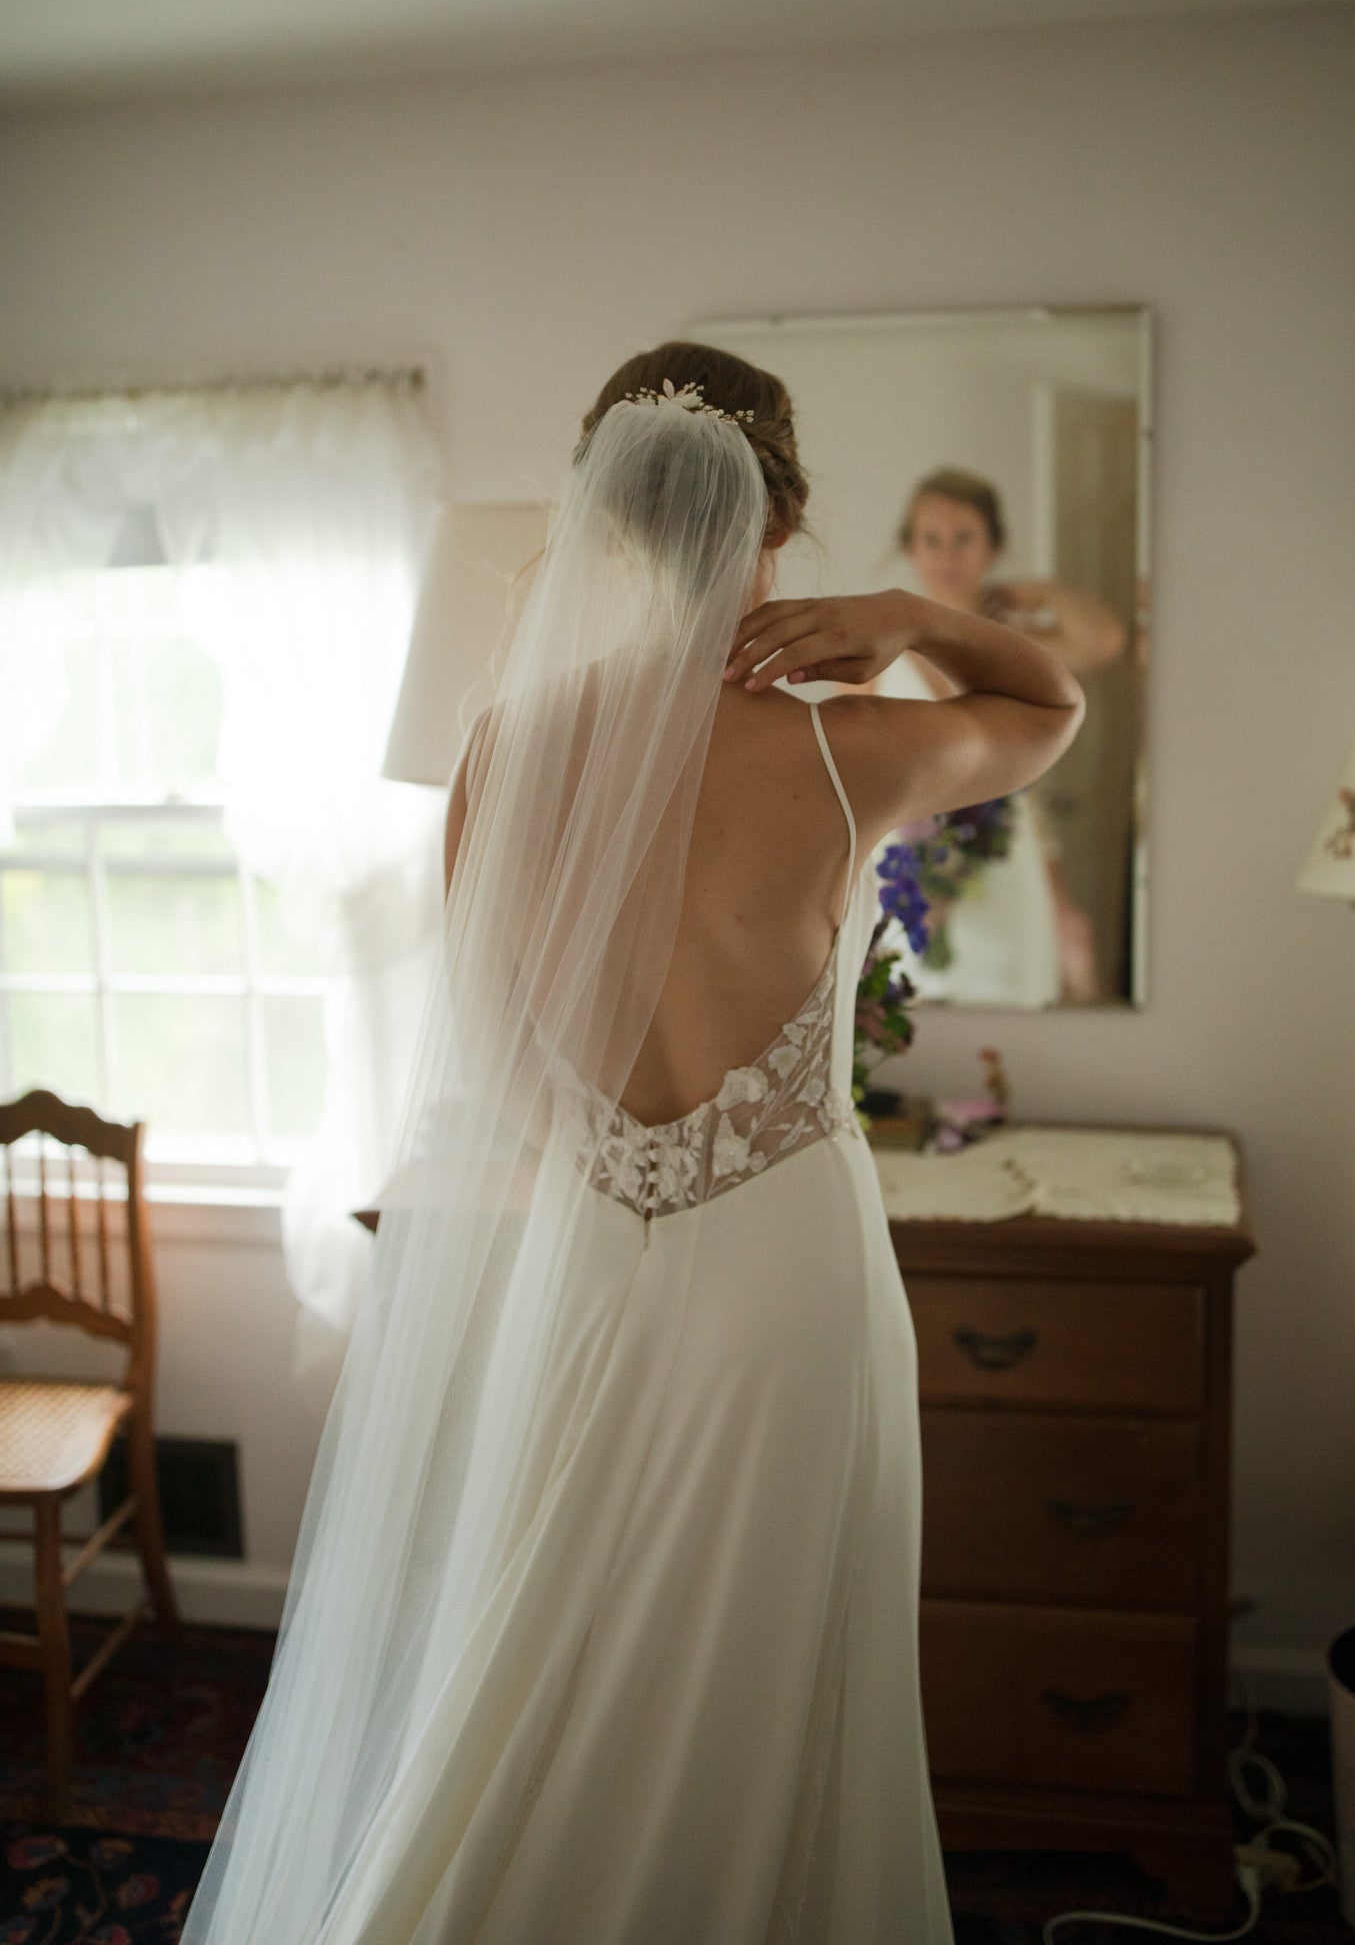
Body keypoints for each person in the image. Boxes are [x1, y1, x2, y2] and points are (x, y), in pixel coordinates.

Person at [178, 344, 1082, 1945]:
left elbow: (503, 1043)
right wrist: (909, 621)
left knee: (561, 1642)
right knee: (777, 1658)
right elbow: (1046, 703)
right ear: (779, 522)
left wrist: (621, 1157)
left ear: (609, 519)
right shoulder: (844, 745)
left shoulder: (502, 759)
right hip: (789, 1279)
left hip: (590, 1261)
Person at [865, 466, 1123, 1006]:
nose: (947, 555)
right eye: (930, 539)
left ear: (993, 547)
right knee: (907, 1020)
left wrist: (1035, 593)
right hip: (907, 865)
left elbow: (1103, 639)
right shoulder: (880, 651)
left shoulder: (1020, 647)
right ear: (910, 549)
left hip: (1003, 855)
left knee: (1008, 1022)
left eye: (965, 538)